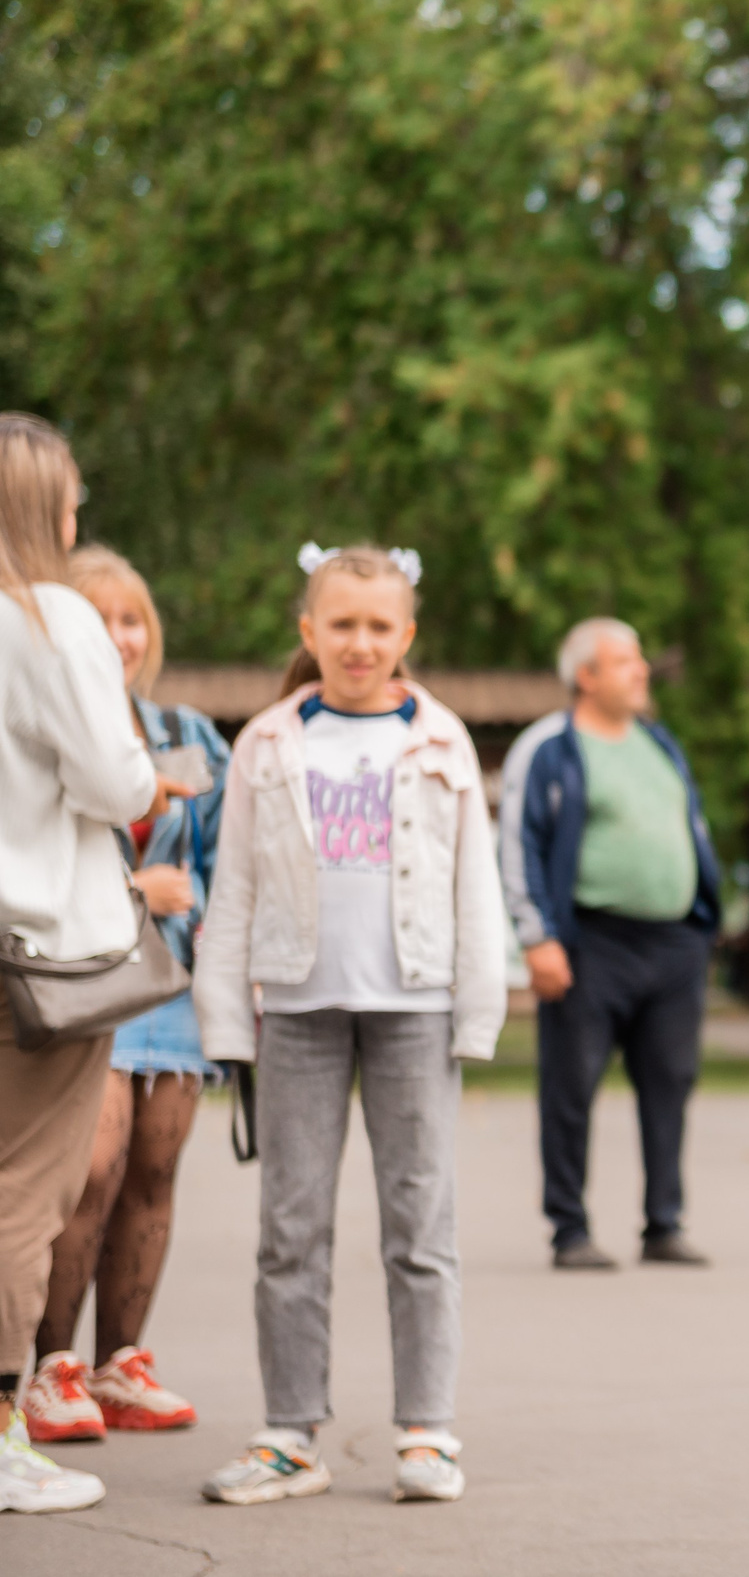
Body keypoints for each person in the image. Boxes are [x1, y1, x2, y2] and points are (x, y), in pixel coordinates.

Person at [191, 543, 508, 1507]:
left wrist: (478, 1012)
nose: (360, 642)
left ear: (406, 635)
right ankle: (290, 1431)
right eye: (342, 624)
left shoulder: (442, 740)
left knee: (421, 1224)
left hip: (414, 1002)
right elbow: (235, 882)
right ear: (309, 632)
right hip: (297, 1004)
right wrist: (225, 1021)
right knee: (290, 1226)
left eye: (379, 626)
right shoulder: (269, 742)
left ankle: (427, 1429)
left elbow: (475, 887)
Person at [19, 548, 230, 1444]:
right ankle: (48, 1368)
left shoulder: (188, 730)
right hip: (87, 976)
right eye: (99, 618)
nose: (120, 634)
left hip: (170, 982)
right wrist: (143, 891)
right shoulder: (42, 725)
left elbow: (223, 861)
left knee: (153, 1168)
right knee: (87, 1172)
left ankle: (121, 1364)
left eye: (133, 617)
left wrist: (217, 931)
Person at [0, 415, 163, 1515]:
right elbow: (117, 782)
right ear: (44, 505)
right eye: (72, 501)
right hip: (36, 952)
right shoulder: (50, 615)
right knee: (22, 1191)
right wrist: (156, 777)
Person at [499, 618, 722, 1271]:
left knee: (671, 1083)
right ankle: (569, 1229)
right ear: (586, 675)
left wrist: (701, 923)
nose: (642, 669)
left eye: (640, 658)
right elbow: (519, 843)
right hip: (591, 940)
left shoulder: (658, 742)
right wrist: (537, 936)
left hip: (674, 943)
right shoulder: (550, 746)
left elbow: (690, 826)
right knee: (571, 1086)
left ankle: (664, 1224)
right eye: (624, 660)